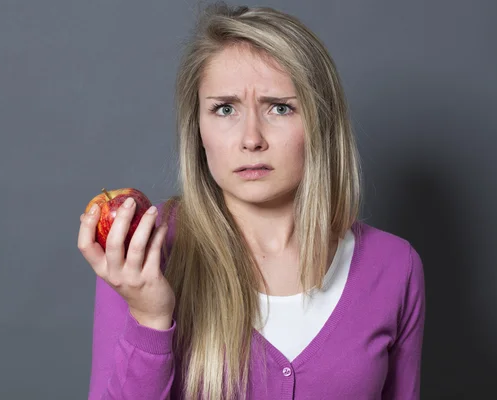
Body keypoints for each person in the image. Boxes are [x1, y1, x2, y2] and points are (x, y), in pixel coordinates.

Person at [78, 3, 426, 399]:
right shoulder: (141, 257)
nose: (251, 138)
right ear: (198, 129)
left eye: (280, 108)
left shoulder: (395, 267)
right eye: (225, 109)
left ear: (320, 122)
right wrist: (150, 319)